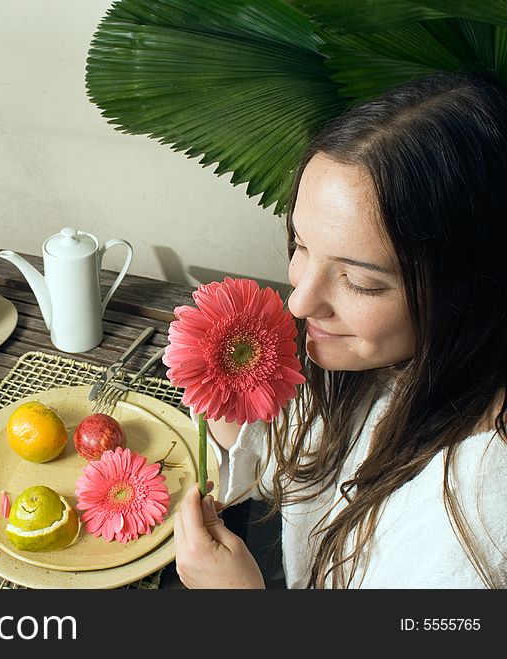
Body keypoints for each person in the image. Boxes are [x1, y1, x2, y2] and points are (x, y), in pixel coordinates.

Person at [173, 72, 507, 589]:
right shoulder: (385, 361)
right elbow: (300, 470)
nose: (300, 301)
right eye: (301, 245)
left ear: (472, 288)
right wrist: (230, 407)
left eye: (360, 282)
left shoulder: (478, 532)